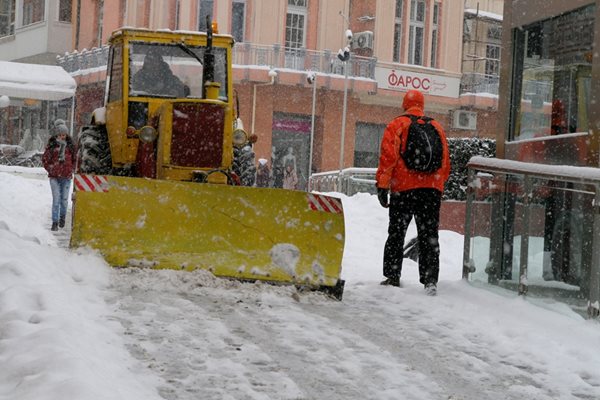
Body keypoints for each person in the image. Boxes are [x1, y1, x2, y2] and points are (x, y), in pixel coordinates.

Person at [375, 89, 451, 295]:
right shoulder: (436, 126)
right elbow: (445, 163)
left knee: (397, 232)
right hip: (431, 190)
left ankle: (392, 275)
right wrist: (436, 186)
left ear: (404, 104)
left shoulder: (397, 124)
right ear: (422, 105)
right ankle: (430, 280)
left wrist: (382, 185)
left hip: (404, 189)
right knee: (429, 235)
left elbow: (388, 158)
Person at [42, 122, 76, 231]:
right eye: (61, 134)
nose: (62, 136)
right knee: (56, 200)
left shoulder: (70, 146)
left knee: (64, 200)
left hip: (66, 177)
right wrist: (51, 169)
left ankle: (62, 218)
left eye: (64, 134)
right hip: (54, 177)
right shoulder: (52, 146)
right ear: (57, 134)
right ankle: (55, 222)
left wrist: (71, 169)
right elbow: (45, 160)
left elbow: (75, 159)